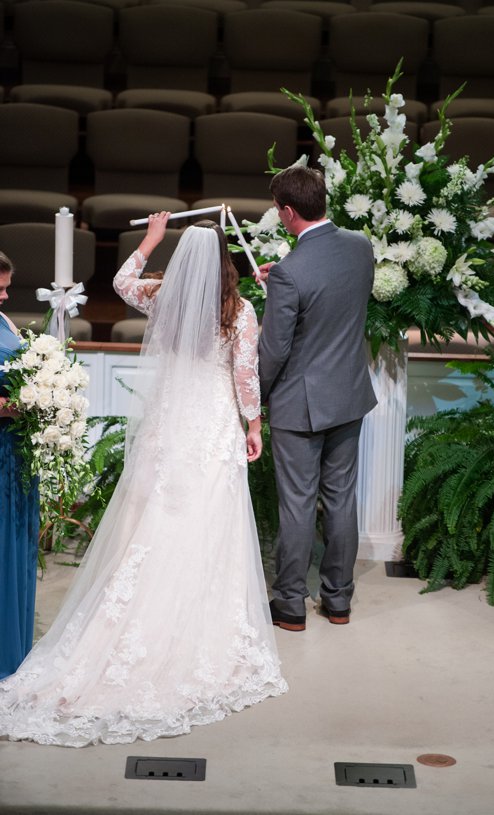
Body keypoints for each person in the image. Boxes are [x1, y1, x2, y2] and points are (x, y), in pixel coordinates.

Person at [0, 214, 287, 746]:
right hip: (210, 431)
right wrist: (254, 424)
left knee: (150, 528)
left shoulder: (163, 297)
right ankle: (195, 630)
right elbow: (245, 375)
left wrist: (150, 238)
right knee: (205, 528)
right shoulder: (239, 311)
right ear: (226, 257)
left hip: (168, 429)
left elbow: (120, 283)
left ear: (182, 257)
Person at [254, 166, 376, 632]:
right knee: (342, 499)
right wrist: (281, 281)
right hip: (348, 393)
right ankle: (338, 602)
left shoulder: (290, 272)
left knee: (298, 504)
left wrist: (253, 401)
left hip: (299, 405)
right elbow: (336, 297)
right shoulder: (361, 247)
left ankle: (289, 605)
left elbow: (275, 349)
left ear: (287, 212)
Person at [0, 252, 39, 681]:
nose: (7, 297)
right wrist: (12, 406)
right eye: (0, 290)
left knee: (13, 549)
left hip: (13, 454)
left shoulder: (6, 325)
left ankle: (14, 653)